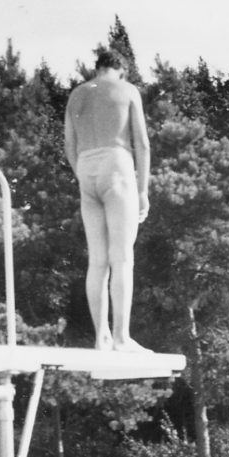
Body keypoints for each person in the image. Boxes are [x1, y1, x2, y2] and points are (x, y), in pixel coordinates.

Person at [64, 46, 152, 350]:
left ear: (97, 69)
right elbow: (141, 143)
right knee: (122, 258)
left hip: (86, 166)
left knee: (97, 261)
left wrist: (82, 175)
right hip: (117, 164)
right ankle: (121, 337)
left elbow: (69, 145)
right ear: (121, 71)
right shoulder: (127, 90)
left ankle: (100, 336)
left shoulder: (77, 94)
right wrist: (142, 190)